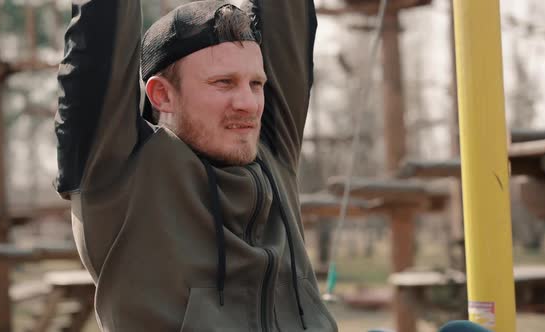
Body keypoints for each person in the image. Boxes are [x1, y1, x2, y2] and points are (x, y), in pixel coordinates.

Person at [55, 0, 337, 330]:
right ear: (162, 95)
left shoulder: (272, 153)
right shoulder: (117, 171)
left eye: (256, 84)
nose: (248, 103)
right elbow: (102, 24)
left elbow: (285, 12)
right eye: (223, 82)